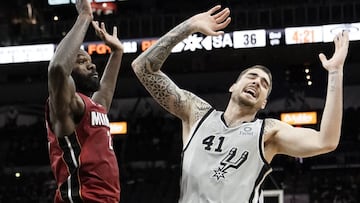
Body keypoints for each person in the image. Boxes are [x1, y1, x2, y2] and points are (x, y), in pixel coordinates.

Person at [131, 5, 349, 203]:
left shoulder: (268, 132)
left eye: (264, 84)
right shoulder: (196, 113)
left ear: (264, 102)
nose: (257, 82)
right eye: (252, 76)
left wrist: (335, 73)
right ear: (233, 86)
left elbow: (325, 141)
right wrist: (190, 26)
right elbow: (143, 67)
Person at [45, 0, 123, 202]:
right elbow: (57, 70)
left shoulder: (91, 108)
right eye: (81, 61)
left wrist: (117, 53)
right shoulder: (67, 106)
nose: (92, 66)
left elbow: (104, 96)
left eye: (90, 61)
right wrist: (85, 17)